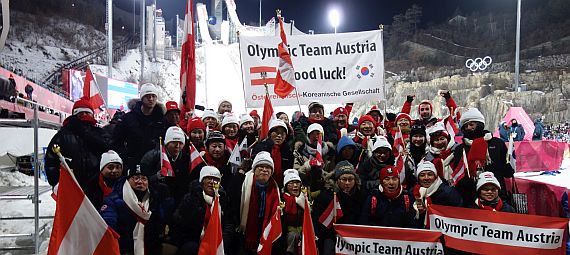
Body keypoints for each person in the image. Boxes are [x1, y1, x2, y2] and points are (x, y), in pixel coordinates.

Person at [445, 108, 514, 204]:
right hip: (471, 199)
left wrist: (508, 167)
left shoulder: (497, 144)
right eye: (465, 126)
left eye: (471, 124)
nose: (468, 128)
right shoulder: (460, 149)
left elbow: (507, 171)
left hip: (496, 196)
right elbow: (458, 176)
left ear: (480, 124)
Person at [100, 167, 173, 254]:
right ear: (127, 180)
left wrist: (168, 202)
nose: (140, 181)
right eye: (136, 178)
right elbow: (108, 223)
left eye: (144, 178)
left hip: (151, 247)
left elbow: (164, 220)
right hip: (123, 249)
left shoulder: (155, 198)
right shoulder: (113, 199)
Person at [45, 98, 110, 189]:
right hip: (71, 186)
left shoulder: (100, 133)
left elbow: (108, 151)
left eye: (87, 113)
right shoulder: (63, 135)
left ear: (92, 114)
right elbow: (51, 160)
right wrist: (56, 182)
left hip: (96, 185)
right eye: (80, 113)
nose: (84, 115)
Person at [170, 166, 235, 254]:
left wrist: (222, 241)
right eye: (209, 178)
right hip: (193, 240)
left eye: (215, 179)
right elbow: (180, 221)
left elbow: (229, 224)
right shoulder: (191, 197)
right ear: (202, 181)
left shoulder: (223, 199)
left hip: (217, 240)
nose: (212, 182)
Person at [312, 161, 366, 254]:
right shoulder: (326, 196)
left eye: (350, 179)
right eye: (344, 179)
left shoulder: (362, 195)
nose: (347, 183)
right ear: (337, 180)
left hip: (355, 237)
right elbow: (319, 222)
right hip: (332, 236)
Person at [112, 83, 166, 172]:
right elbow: (117, 141)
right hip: (132, 162)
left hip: (154, 164)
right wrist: (125, 157)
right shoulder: (128, 118)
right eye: (148, 96)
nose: (151, 99)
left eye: (153, 96)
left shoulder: (162, 119)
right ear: (142, 98)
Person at [236, 152, 281, 254]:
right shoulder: (244, 183)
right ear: (254, 169)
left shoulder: (275, 189)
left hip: (265, 230)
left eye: (268, 168)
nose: (264, 170)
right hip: (244, 231)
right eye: (261, 167)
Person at [140, 126, 190, 207]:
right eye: (174, 142)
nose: (177, 146)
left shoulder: (186, 158)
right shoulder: (152, 157)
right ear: (167, 143)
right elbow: (141, 179)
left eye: (180, 143)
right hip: (155, 199)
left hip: (178, 199)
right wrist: (156, 176)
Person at [413, 161, 463, 228]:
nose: (426, 178)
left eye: (430, 174)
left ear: (436, 176)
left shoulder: (448, 192)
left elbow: (459, 215)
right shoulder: (414, 192)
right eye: (422, 175)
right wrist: (421, 213)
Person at [252, 119, 293, 187]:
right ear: (270, 133)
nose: (279, 136)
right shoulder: (260, 148)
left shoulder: (288, 151)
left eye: (282, 133)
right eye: (276, 132)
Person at [281, 169, 306, 255]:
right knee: (292, 236)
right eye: (291, 183)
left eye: (297, 182)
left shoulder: (305, 198)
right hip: (287, 235)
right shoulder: (282, 200)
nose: (295, 186)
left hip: (305, 231)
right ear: (286, 186)